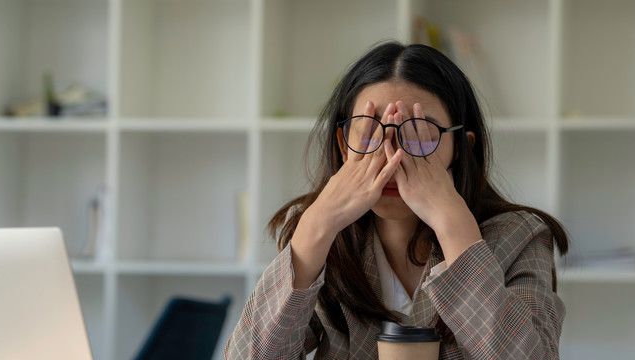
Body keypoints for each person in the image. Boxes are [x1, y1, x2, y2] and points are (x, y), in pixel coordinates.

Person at [225, 41, 568, 359]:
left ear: (461, 150)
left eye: (418, 132)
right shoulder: (316, 233)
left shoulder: (520, 236)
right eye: (370, 131)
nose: (391, 156)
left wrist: (454, 228)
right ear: (344, 146)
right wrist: (316, 226)